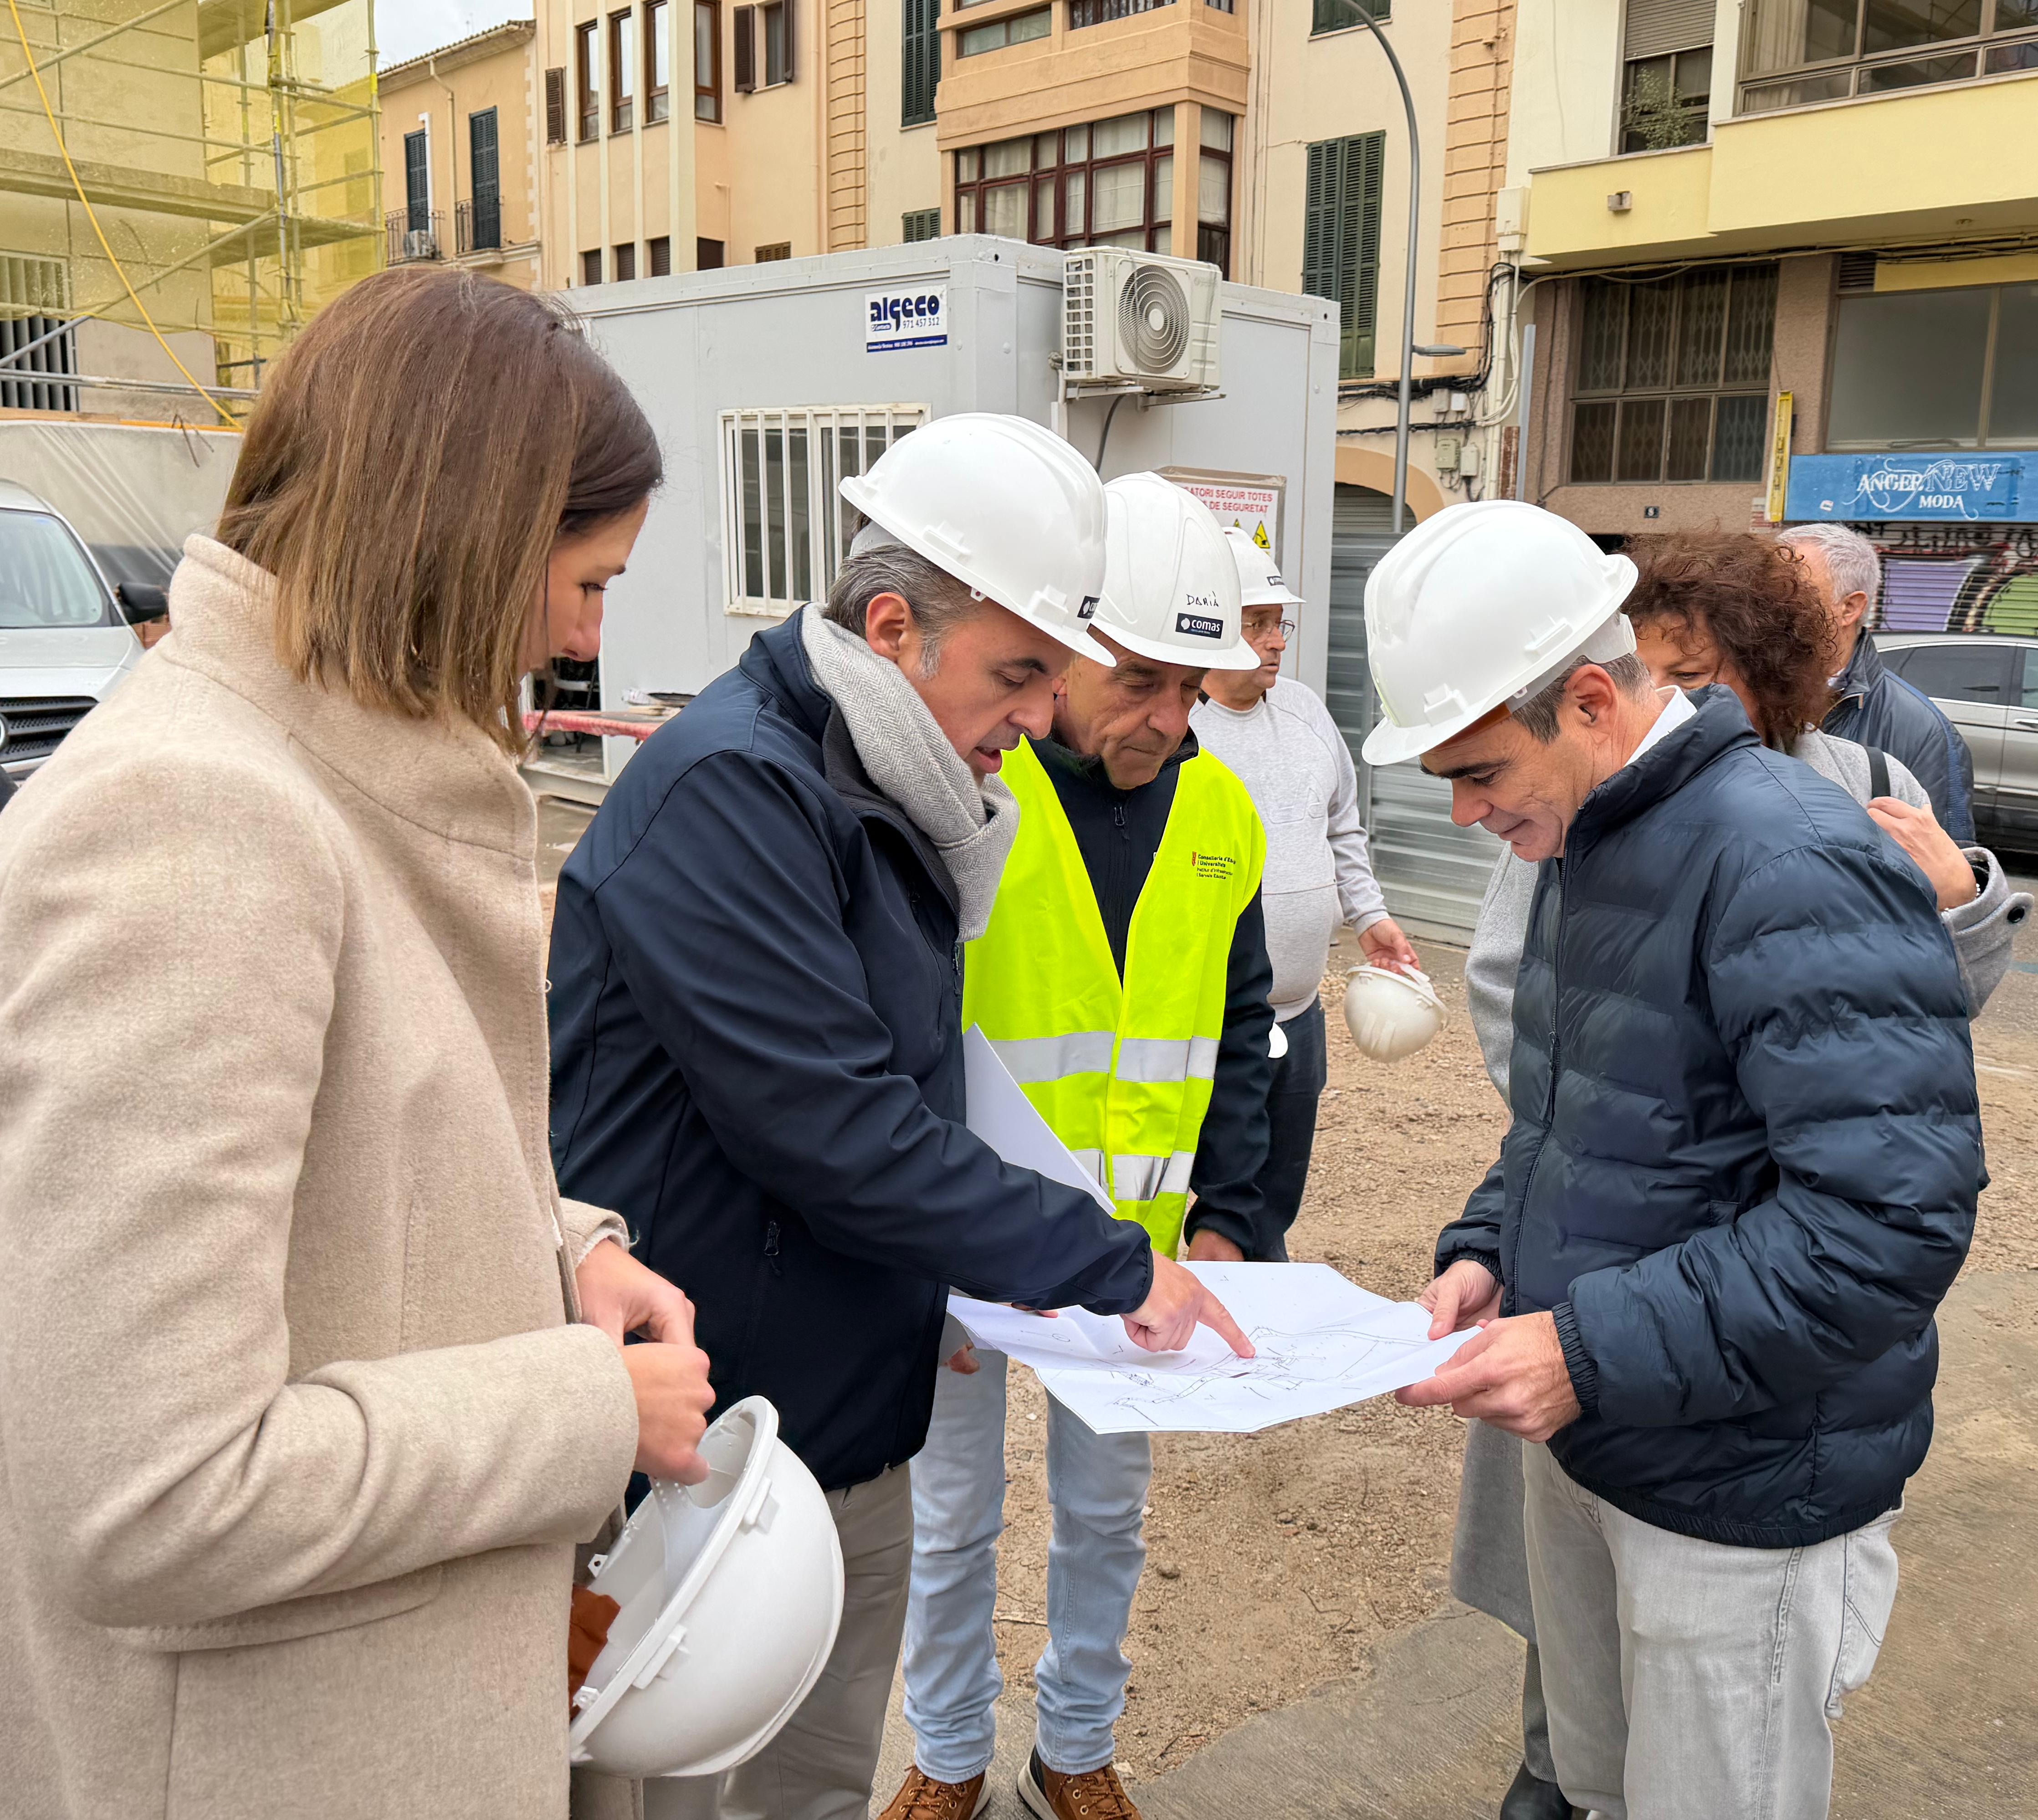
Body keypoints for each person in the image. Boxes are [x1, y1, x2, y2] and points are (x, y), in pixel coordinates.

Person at [0, 267, 717, 1820]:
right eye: (589, 581)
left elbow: (354, 1186)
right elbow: (146, 1494)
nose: (585, 639)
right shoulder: (195, 826)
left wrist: (564, 1251)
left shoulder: (303, 783)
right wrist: (590, 1404)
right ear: (468, 543)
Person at [546, 419, 1247, 1820]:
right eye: (1018, 672)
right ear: (891, 627)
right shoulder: (736, 790)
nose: (1040, 718)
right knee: (681, 1791)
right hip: (709, 1444)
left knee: (806, 1788)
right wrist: (1109, 1259)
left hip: (842, 1420)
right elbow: (839, 1128)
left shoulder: (888, 792)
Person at [1377, 501, 1983, 1820]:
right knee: (1599, 1787)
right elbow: (1569, 1112)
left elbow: (1884, 1226)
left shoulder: (1786, 856)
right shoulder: (1596, 841)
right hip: (1613, 1435)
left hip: (1741, 1483)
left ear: (1589, 698)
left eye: (1479, 773)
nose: (1469, 814)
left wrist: (1582, 1348)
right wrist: (1488, 1246)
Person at [886, 474, 1275, 1820]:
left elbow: (1240, 1035)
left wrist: (1228, 1216)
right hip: (969, 1246)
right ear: (1065, 646)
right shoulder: (966, 796)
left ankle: (1073, 1744)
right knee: (951, 1517)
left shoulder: (1221, 815)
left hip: (1136, 1260)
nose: (1171, 720)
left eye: (1194, 690)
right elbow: (901, 1032)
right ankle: (944, 1754)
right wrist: (912, 1252)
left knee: (1105, 1518)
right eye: (1148, 682)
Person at [1191, 528, 1418, 1262]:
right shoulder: (1178, 728)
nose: (1274, 641)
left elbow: (1341, 827)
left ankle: (1264, 1319)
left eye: (1276, 623)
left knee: (1273, 1197)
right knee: (1208, 1196)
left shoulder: (1306, 712)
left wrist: (1370, 917)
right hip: (1207, 1023)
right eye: (1254, 622)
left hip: (1297, 1011)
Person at [1777, 521, 1978, 842]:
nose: (1768, 605)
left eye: (1791, 590)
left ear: (1849, 608)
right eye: (1765, 588)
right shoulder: (1731, 692)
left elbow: (1947, 877)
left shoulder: (1921, 732)